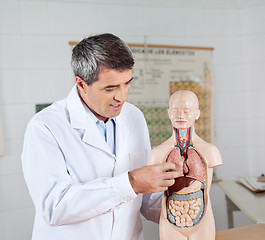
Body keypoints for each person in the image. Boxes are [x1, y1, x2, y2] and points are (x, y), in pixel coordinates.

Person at [21, 33, 178, 240]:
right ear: (81, 84)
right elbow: (54, 206)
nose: (121, 97)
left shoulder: (133, 116)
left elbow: (146, 200)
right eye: (110, 88)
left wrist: (181, 206)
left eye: (126, 83)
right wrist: (130, 182)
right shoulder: (45, 127)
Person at [148, 90, 222, 240]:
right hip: (170, 219)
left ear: (197, 114)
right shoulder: (157, 153)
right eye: (175, 111)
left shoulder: (210, 151)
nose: (180, 116)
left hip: (203, 218)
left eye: (186, 111)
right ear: (169, 113)